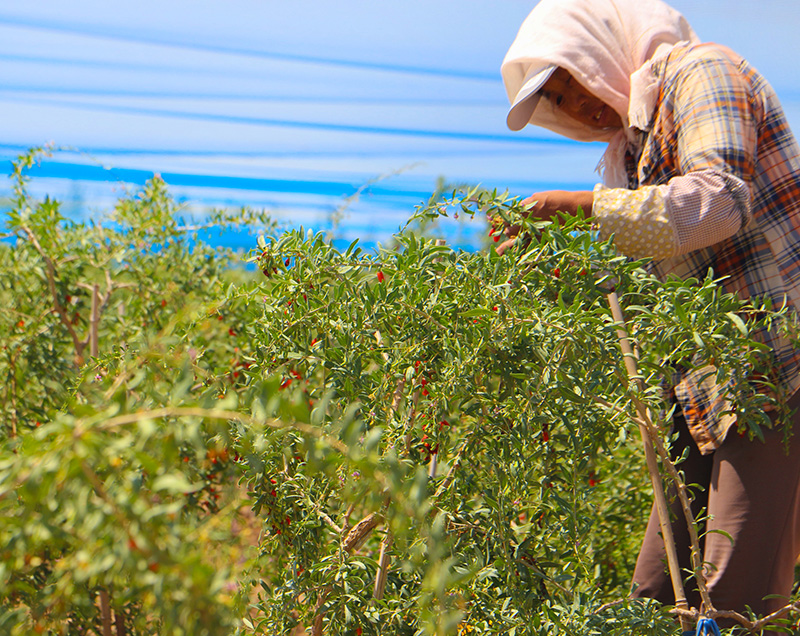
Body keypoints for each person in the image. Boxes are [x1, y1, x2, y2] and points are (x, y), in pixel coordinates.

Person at [499, 0, 800, 630]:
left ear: (600, 50)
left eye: (570, 80)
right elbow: (661, 259)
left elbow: (720, 200)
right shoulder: (633, 147)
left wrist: (582, 207)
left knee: (735, 598)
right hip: (702, 388)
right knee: (656, 598)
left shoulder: (703, 73)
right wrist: (555, 259)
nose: (576, 105)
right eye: (559, 99)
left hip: (774, 370)